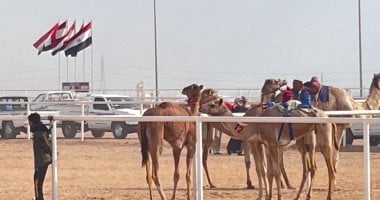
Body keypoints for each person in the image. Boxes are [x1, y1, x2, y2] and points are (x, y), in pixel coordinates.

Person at [29, 112, 52, 200]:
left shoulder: (39, 133)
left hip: (42, 161)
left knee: (37, 182)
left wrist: (52, 152)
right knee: (38, 182)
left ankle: (39, 198)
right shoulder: (40, 131)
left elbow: (46, 144)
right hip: (43, 160)